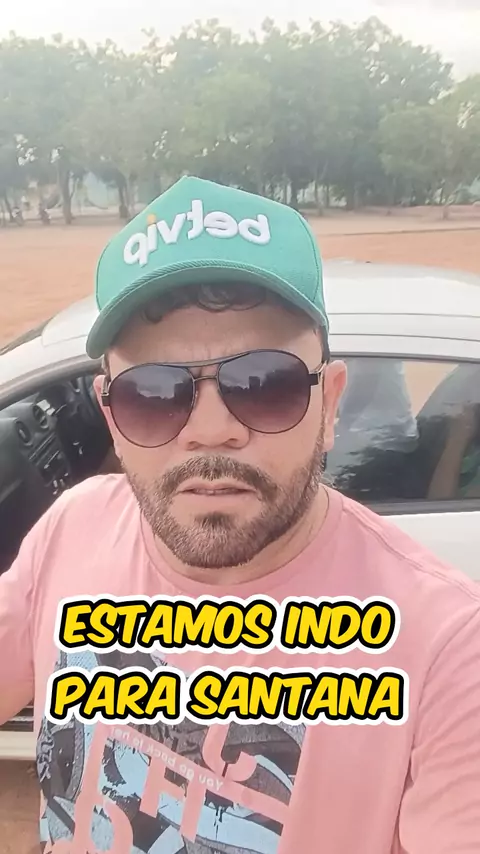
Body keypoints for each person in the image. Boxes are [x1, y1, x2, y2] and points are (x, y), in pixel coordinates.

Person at [1, 176, 479, 854]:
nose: (211, 430)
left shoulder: (451, 647)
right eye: (153, 393)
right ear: (112, 418)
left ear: (329, 404)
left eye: (264, 384)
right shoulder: (73, 527)